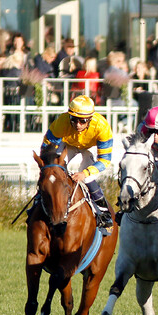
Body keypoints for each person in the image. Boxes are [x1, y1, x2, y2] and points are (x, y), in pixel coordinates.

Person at [40, 95, 114, 236]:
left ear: (90, 119)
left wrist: (84, 173)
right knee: (54, 172)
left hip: (90, 149)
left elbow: (104, 160)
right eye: (74, 119)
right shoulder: (61, 122)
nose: (78, 124)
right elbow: (46, 149)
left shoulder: (102, 127)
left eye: (83, 121)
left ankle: (104, 214)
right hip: (68, 145)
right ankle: (40, 202)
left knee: (88, 179)